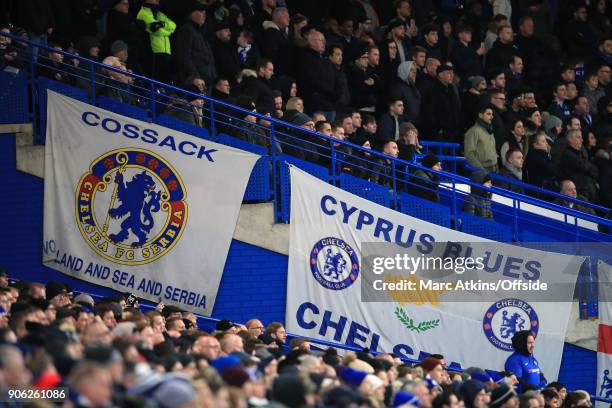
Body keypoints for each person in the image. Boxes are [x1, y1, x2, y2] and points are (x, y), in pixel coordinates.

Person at [174, 3, 215, 85]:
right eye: (202, 12)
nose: (204, 15)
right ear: (192, 13)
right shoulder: (186, 30)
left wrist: (213, 76)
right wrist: (195, 77)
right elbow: (185, 56)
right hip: (195, 82)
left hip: (207, 81)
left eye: (205, 13)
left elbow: (210, 57)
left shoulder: (201, 33)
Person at [136, 0, 176, 83]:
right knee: (155, 80)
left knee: (165, 80)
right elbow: (155, 30)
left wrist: (163, 25)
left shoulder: (159, 14)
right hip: (154, 51)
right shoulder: (143, 13)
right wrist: (168, 32)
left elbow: (173, 25)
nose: (157, 2)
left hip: (166, 51)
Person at [464, 105, 498, 173]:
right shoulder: (473, 131)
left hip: (494, 169)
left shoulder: (490, 131)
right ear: (480, 115)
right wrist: (480, 170)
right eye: (488, 114)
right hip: (482, 171)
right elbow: (469, 153)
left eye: (492, 114)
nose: (492, 117)